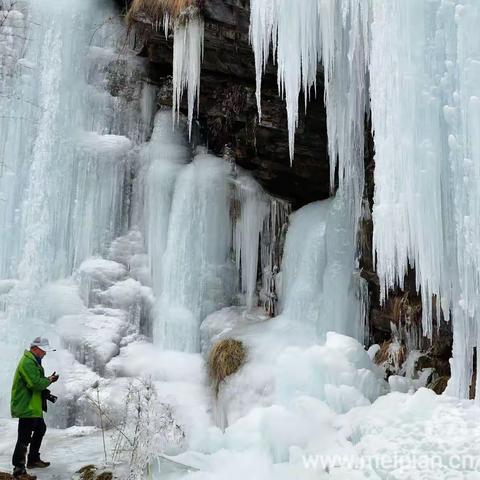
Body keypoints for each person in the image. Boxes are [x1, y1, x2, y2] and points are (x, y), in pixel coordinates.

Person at [10, 337, 59, 480]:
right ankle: (19, 471)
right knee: (24, 438)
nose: (45, 354)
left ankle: (32, 460)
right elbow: (35, 384)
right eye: (44, 351)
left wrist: (47, 380)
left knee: (40, 429)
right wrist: (49, 380)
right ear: (35, 349)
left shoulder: (33, 362)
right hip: (27, 406)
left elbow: (37, 382)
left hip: (33, 405)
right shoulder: (27, 362)